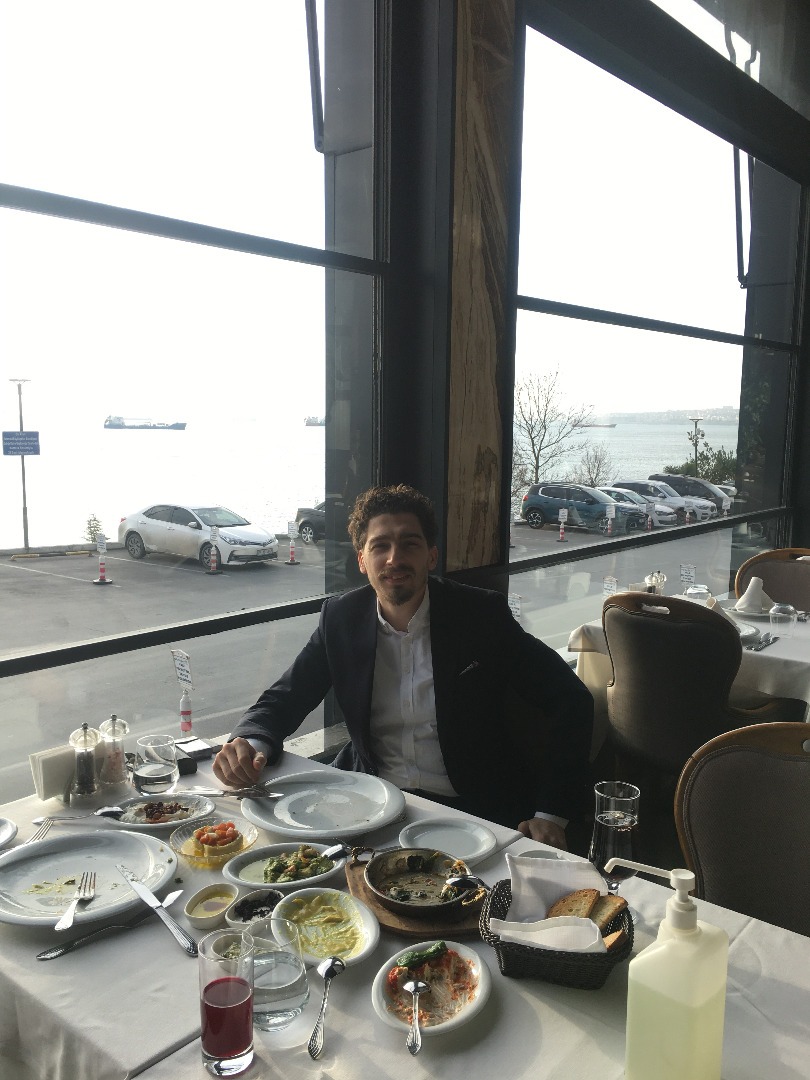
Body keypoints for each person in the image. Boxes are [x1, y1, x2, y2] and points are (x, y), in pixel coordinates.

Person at [214, 484, 593, 849]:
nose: (394, 559)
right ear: (362, 561)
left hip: (473, 810)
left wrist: (551, 813)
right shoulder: (341, 619)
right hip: (370, 802)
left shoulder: (481, 616)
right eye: (380, 546)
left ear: (431, 556)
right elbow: (287, 696)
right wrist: (249, 742)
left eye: (409, 544)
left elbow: (570, 699)